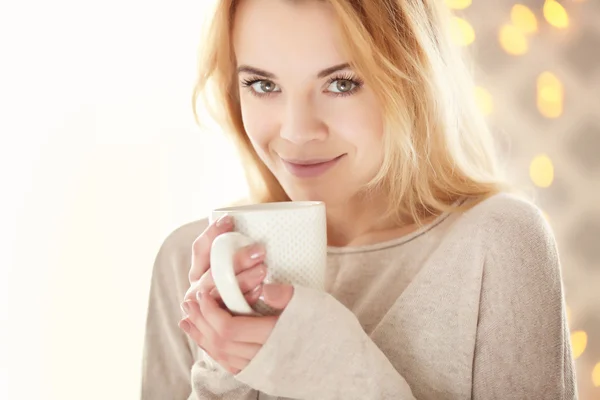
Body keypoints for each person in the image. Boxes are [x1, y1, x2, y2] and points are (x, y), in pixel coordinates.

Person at [141, 0, 578, 399]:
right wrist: (223, 371)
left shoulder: (498, 244)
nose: (297, 131)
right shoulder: (188, 263)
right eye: (262, 84)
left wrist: (337, 372)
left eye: (341, 84)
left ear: (412, 78)